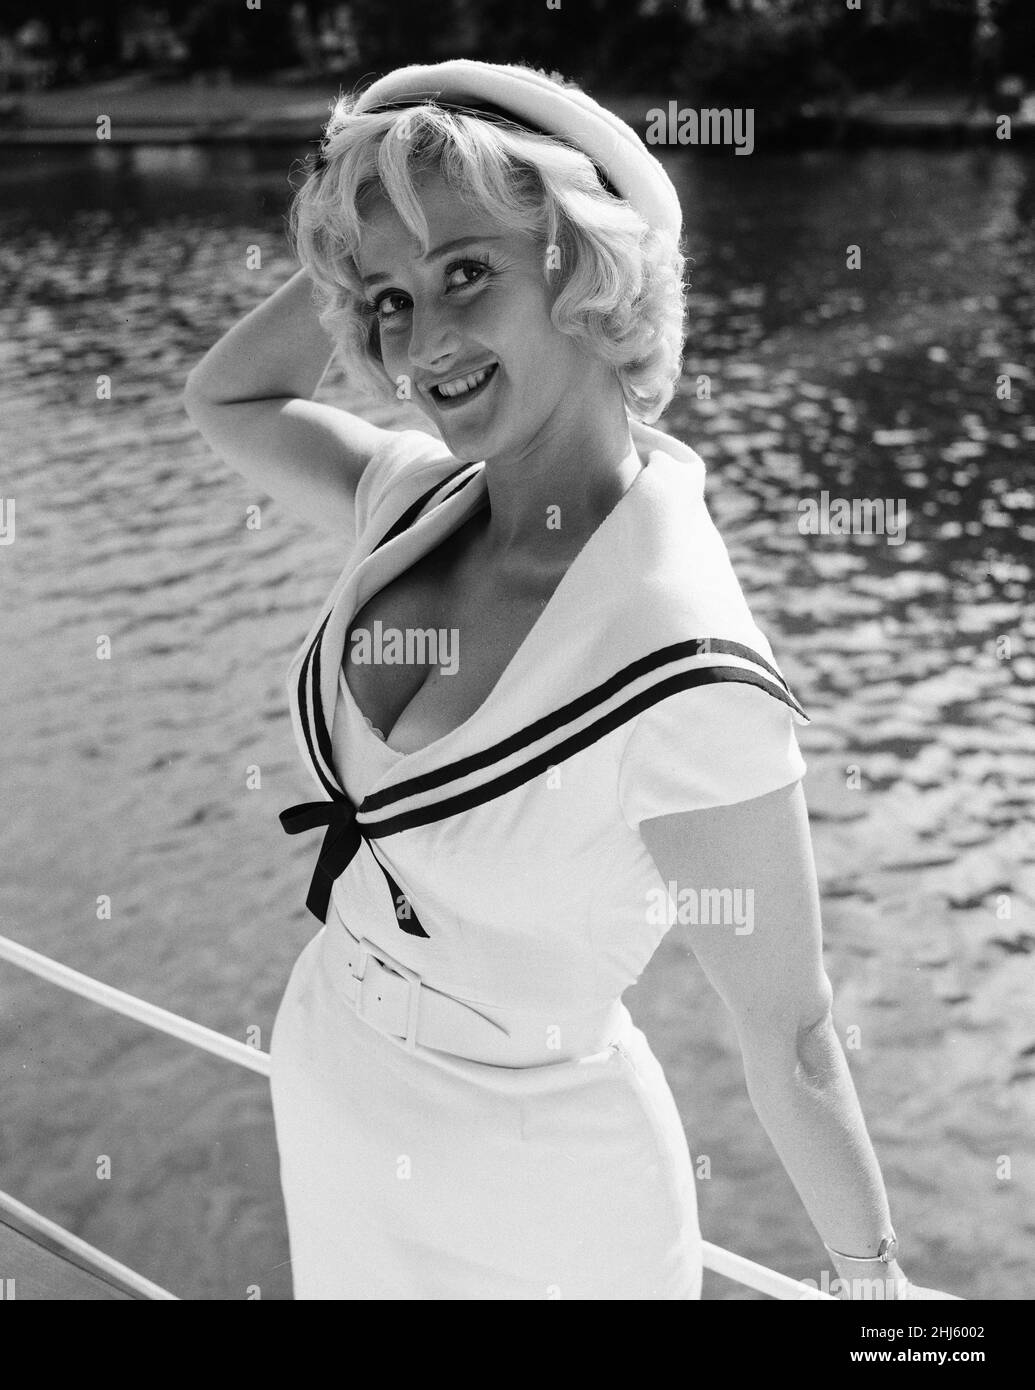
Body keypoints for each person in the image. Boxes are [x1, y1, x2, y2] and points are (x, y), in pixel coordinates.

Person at [184, 59, 954, 1300]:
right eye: (388, 301)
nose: (419, 344)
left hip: (537, 1198)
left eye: (468, 274)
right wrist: (366, 216)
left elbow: (794, 1034)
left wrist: (873, 1292)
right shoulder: (414, 495)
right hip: (333, 1091)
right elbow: (226, 393)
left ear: (586, 269)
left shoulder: (678, 652)